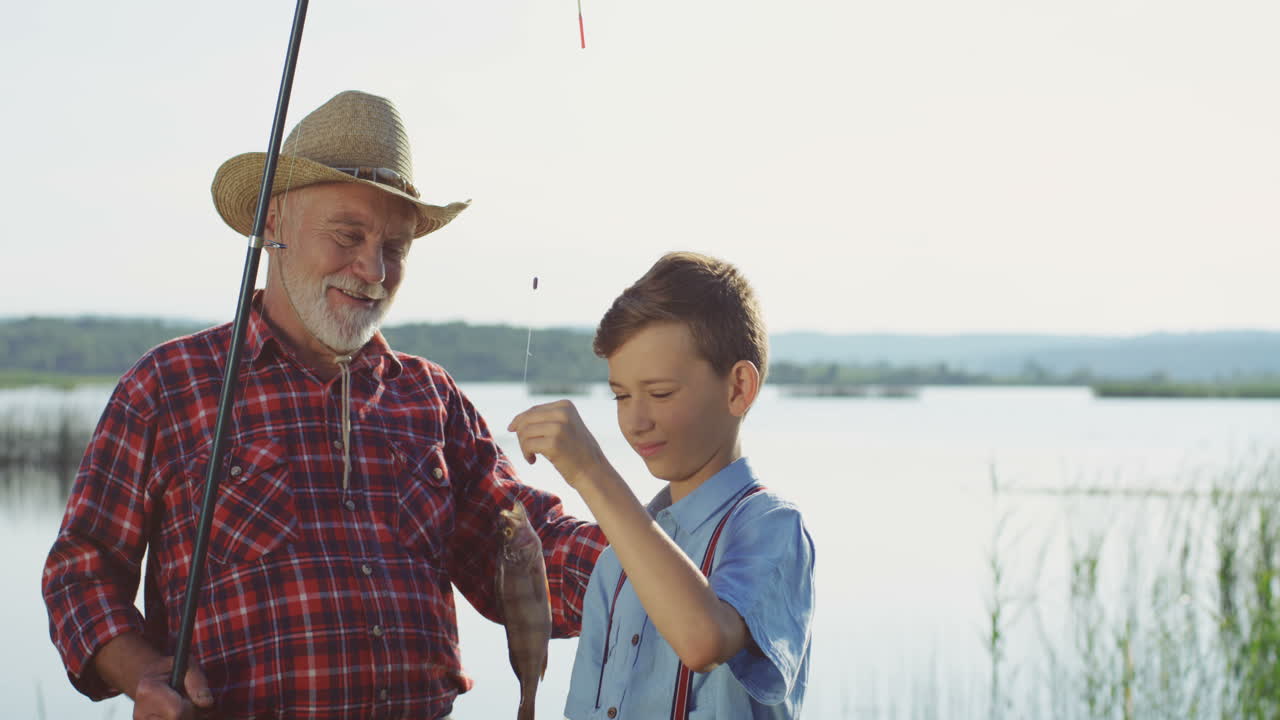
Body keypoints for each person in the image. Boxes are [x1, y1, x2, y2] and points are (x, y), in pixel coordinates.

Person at [42, 90, 606, 720]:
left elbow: (530, 549)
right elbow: (80, 573)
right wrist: (144, 675)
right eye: (348, 234)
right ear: (275, 223)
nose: (372, 268)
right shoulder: (169, 386)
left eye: (396, 247)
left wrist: (672, 560)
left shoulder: (431, 397)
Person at [509, 251, 816, 719]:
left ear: (738, 389)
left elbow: (704, 640)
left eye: (660, 393)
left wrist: (591, 471)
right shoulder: (615, 565)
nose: (636, 421)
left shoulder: (770, 527)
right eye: (621, 396)